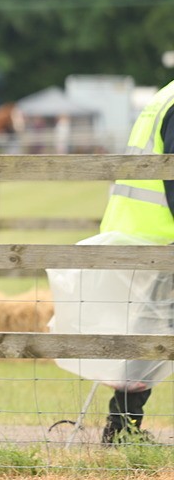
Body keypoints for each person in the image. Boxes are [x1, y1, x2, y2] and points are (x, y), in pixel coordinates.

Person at [97, 78, 174, 444]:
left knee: (150, 333)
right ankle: (122, 428)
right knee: (151, 335)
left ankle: (122, 427)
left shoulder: (166, 94)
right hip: (159, 236)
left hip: (145, 232)